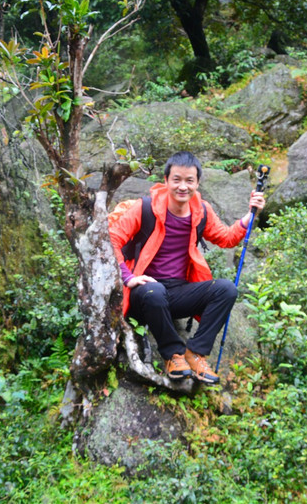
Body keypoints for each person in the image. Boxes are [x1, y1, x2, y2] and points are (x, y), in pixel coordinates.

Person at [109, 151, 266, 384]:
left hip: (177, 293)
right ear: (166, 180)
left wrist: (251, 215)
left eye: (189, 181)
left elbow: (226, 238)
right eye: (177, 180)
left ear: (197, 182)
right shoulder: (145, 208)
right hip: (145, 294)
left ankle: (195, 353)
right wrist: (128, 276)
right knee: (155, 292)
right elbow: (111, 238)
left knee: (226, 289)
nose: (183, 187)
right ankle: (173, 355)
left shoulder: (200, 211)